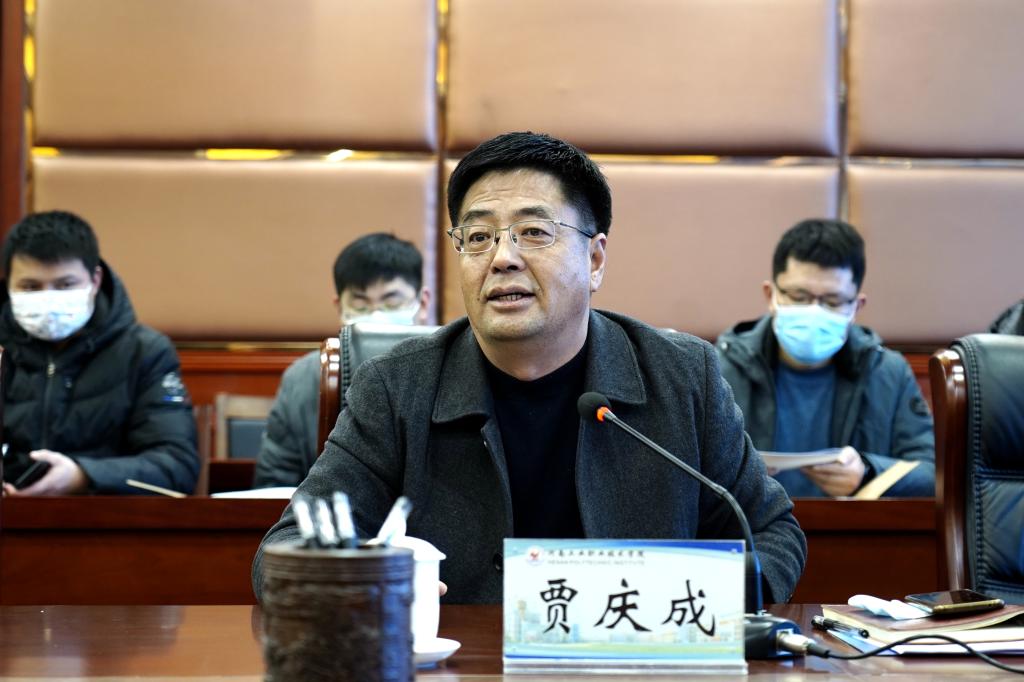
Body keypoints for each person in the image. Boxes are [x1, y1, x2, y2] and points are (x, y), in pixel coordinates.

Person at [253, 132, 806, 604]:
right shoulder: (397, 387)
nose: (502, 258)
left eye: (534, 233)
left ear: (595, 259)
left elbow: (772, 532)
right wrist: (371, 588)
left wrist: (699, 605)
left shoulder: (681, 377)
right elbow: (286, 551)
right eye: (477, 237)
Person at [716, 219, 934, 498]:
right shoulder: (722, 369)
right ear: (771, 295)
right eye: (799, 297)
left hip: (847, 525)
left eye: (833, 302)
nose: (814, 312)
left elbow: (933, 473)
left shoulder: (887, 373)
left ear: (856, 307)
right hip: (750, 524)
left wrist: (868, 472)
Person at [0, 210, 198, 496]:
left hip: (107, 517)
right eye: (30, 287)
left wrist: (83, 475)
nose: (48, 299)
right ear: (8, 284)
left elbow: (177, 467)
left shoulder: (144, 352)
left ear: (95, 280)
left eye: (65, 285)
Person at [252, 233, 429, 488]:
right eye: (360, 305)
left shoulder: (452, 368)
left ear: (423, 304)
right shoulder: (302, 379)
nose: (376, 316)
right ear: (340, 308)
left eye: (392, 303)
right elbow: (273, 484)